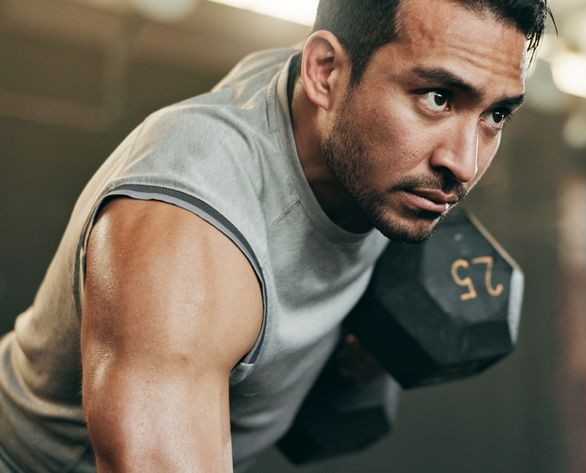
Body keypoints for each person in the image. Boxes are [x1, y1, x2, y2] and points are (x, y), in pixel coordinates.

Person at [0, 0, 552, 471]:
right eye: (436, 97)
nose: (463, 163)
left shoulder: (378, 162)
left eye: (496, 114)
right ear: (325, 73)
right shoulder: (186, 227)